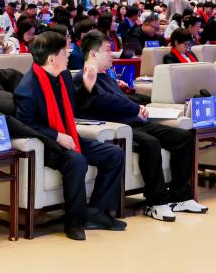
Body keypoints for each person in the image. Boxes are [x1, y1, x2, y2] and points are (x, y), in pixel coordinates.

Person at [74, 30, 204, 222]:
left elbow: (120, 98)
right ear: (93, 54)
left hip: (135, 122)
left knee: (184, 137)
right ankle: (156, 202)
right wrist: (134, 108)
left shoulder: (106, 76)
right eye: (108, 50)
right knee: (150, 143)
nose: (112, 54)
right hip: (118, 128)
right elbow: (104, 102)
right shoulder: (83, 79)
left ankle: (181, 196)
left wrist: (140, 106)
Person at [15, 31, 127, 241]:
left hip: (70, 137)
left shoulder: (64, 75)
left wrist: (87, 86)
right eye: (64, 51)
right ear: (51, 59)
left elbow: (74, 108)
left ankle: (97, 212)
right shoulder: (27, 88)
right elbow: (26, 125)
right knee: (76, 160)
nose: (69, 54)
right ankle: (73, 221)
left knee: (114, 154)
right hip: (47, 146)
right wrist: (57, 136)